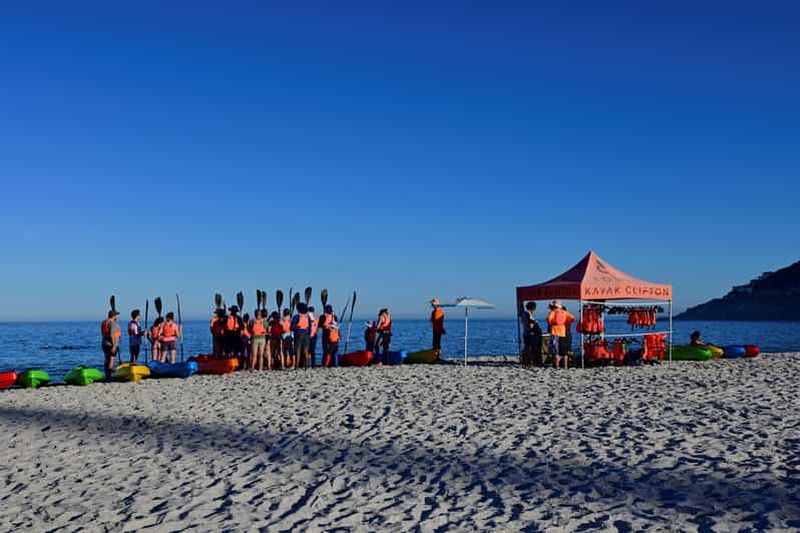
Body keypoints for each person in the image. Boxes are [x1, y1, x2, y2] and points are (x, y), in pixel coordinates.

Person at [547, 300, 575, 369]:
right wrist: (566, 323)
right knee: (563, 350)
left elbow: (549, 319)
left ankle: (557, 366)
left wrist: (552, 324)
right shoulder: (564, 312)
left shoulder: (553, 312)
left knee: (556, 350)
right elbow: (573, 318)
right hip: (563, 331)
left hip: (554, 331)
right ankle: (565, 366)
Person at [519, 301, 543, 366]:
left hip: (526, 332)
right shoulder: (527, 314)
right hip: (530, 333)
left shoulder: (524, 313)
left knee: (527, 347)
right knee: (531, 347)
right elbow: (530, 321)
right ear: (533, 308)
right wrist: (535, 322)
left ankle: (527, 361)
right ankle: (529, 361)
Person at [101, 310, 121, 379]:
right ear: (114, 316)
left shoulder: (104, 322)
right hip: (111, 344)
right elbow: (112, 335)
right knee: (111, 360)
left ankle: (106, 375)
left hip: (104, 343)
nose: (117, 317)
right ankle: (109, 375)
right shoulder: (112, 323)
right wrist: (114, 345)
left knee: (106, 359)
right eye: (116, 315)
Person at [291, 303, 312, 369]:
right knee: (306, 350)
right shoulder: (307, 317)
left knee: (298, 350)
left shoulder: (296, 316)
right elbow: (310, 327)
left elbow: (292, 326)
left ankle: (296, 366)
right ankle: (306, 366)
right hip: (306, 334)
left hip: (298, 334)